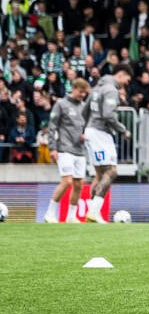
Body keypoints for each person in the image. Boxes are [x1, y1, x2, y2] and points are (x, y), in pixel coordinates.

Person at [80, 68, 131, 222]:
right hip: (100, 133)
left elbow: (84, 111)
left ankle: (92, 214)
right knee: (111, 171)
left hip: (92, 131)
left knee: (99, 174)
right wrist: (123, 130)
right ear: (121, 74)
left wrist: (85, 129)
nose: (126, 83)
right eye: (127, 80)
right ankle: (94, 212)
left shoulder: (97, 87)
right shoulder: (111, 89)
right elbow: (108, 114)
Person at [48, 79, 90, 223]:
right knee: (67, 181)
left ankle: (71, 217)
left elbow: (86, 127)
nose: (82, 95)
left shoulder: (84, 107)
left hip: (80, 150)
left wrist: (85, 135)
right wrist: (52, 148)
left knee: (79, 184)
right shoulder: (61, 104)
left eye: (85, 93)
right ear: (74, 88)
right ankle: (50, 214)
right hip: (64, 149)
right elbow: (52, 126)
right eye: (81, 92)